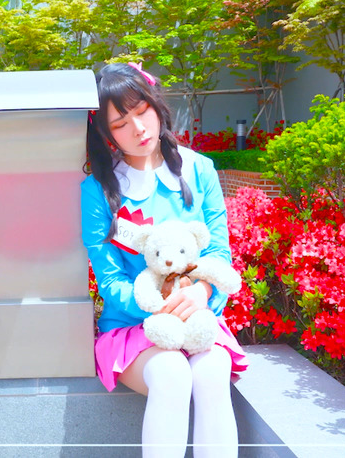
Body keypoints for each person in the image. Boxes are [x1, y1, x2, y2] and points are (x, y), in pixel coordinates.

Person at [81, 62, 248, 458]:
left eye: (142, 112)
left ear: (156, 105)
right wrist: (160, 307)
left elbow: (218, 252)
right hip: (133, 327)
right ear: (106, 133)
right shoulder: (97, 191)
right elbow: (111, 282)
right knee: (171, 372)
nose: (138, 129)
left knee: (212, 371)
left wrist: (202, 293)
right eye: (120, 123)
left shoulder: (200, 170)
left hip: (198, 316)